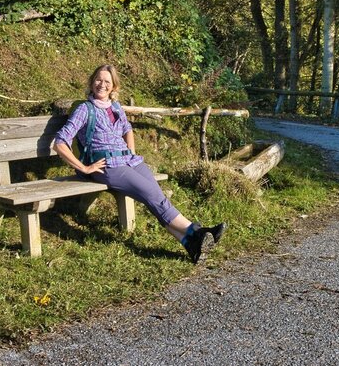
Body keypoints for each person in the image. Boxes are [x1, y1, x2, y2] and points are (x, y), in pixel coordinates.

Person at [54, 64, 226, 264]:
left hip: (129, 161)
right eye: (98, 80)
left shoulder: (116, 107)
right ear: (92, 82)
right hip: (108, 166)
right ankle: (197, 231)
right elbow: (60, 142)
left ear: (114, 87)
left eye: (107, 82)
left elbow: (127, 129)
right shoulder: (85, 109)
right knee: (153, 195)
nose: (102, 85)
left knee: (157, 198)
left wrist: (131, 153)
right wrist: (83, 168)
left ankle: (191, 245)